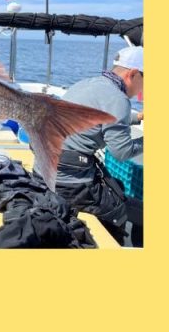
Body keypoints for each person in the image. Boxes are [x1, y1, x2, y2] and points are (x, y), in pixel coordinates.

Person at [54, 45, 144, 245]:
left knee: (117, 186)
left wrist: (137, 117)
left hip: (50, 170)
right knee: (136, 213)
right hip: (71, 184)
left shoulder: (88, 84)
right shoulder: (118, 99)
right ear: (133, 74)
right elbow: (122, 152)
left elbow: (102, 117)